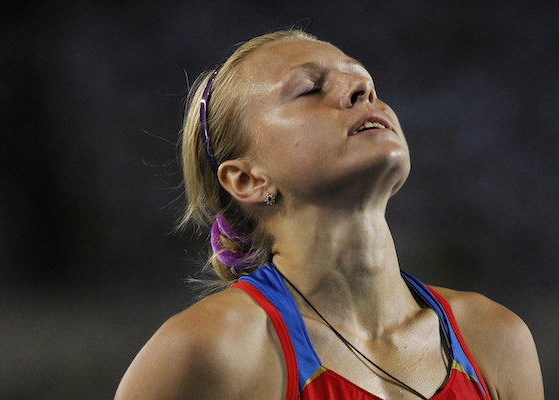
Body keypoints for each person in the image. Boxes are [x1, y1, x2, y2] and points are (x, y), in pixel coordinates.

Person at [114, 29, 543, 400]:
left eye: (364, 79)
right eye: (309, 89)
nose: (363, 89)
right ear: (247, 179)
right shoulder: (211, 349)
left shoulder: (495, 340)